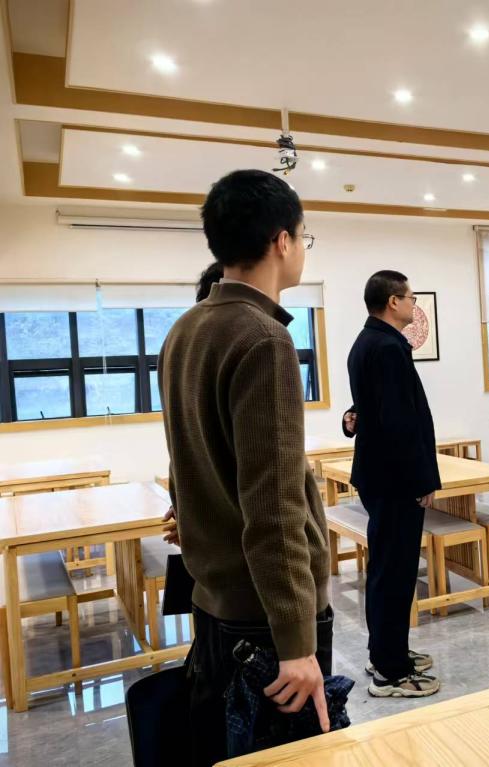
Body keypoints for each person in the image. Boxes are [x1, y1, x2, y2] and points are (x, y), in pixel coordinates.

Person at [158, 169, 333, 765]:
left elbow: (184, 455)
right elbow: (274, 506)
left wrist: (190, 514)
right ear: (282, 241)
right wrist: (296, 641)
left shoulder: (185, 329)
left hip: (215, 601)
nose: (303, 249)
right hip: (263, 617)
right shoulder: (263, 338)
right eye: (304, 237)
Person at [347, 270, 441, 698]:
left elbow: (370, 406)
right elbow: (399, 422)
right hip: (395, 478)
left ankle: (388, 651)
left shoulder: (370, 341)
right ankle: (390, 672)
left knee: (389, 569)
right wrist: (422, 478)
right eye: (411, 298)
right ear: (393, 302)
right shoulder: (385, 347)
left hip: (381, 474)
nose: (414, 305)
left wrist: (350, 418)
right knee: (395, 572)